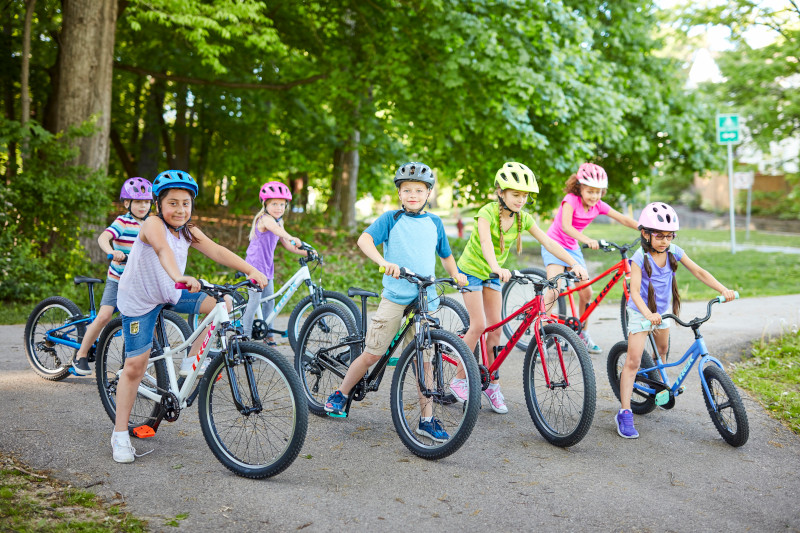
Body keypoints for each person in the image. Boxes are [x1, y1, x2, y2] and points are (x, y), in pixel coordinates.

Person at [111, 170, 268, 463]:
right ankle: (120, 434)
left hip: (171, 292)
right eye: (173, 203)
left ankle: (192, 361)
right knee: (135, 365)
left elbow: (217, 250)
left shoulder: (188, 229)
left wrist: (250, 270)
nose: (180, 209)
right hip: (141, 299)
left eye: (186, 203)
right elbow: (161, 250)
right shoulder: (153, 225)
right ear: (159, 204)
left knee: (224, 302)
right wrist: (179, 275)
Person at [324, 162, 467, 442]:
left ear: (428, 194)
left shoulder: (435, 223)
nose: (412, 194)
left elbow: (446, 255)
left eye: (418, 190)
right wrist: (384, 262)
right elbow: (365, 241)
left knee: (424, 362)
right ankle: (340, 394)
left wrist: (456, 274)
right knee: (373, 353)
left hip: (424, 298)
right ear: (399, 194)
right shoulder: (391, 219)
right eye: (406, 190)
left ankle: (426, 419)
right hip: (396, 297)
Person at [450, 162, 589, 414]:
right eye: (516, 194)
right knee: (478, 325)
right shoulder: (486, 213)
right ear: (501, 192)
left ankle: (492, 385)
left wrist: (573, 263)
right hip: (471, 272)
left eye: (524, 196)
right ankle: (459, 378)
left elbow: (548, 241)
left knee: (495, 330)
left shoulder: (523, 218)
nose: (521, 200)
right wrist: (495, 266)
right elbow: (485, 243)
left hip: (492, 275)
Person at [616, 202, 735, 439]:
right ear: (645, 233)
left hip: (663, 311)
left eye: (669, 236)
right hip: (642, 312)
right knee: (633, 361)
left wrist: (723, 289)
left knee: (662, 350)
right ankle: (625, 412)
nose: (665, 241)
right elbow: (635, 292)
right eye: (660, 236)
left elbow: (699, 271)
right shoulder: (640, 257)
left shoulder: (674, 252)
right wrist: (647, 315)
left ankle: (658, 382)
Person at [542, 162, 639, 354]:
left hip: (572, 248)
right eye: (590, 191)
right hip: (553, 245)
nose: (594, 196)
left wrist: (645, 228)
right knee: (554, 290)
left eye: (598, 192)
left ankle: (582, 334)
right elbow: (566, 227)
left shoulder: (599, 205)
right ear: (580, 188)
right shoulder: (570, 200)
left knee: (586, 293)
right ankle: (541, 336)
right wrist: (588, 239)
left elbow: (623, 218)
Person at [71, 178, 153, 376]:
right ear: (127, 203)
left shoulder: (151, 224)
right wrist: (111, 251)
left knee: (140, 320)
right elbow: (103, 237)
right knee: (105, 316)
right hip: (118, 279)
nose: (143, 206)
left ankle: (137, 361)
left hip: (138, 282)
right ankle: (80, 355)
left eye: (147, 202)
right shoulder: (123, 222)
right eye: (138, 201)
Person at [241, 181, 306, 345]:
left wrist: (307, 251)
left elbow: (287, 244)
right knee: (254, 302)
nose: (278, 207)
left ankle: (268, 334)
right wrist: (291, 237)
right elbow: (277, 231)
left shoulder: (279, 222)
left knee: (269, 301)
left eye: (282, 204)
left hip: (267, 267)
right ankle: (244, 339)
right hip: (254, 266)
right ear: (265, 204)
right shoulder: (265, 219)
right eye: (274, 204)